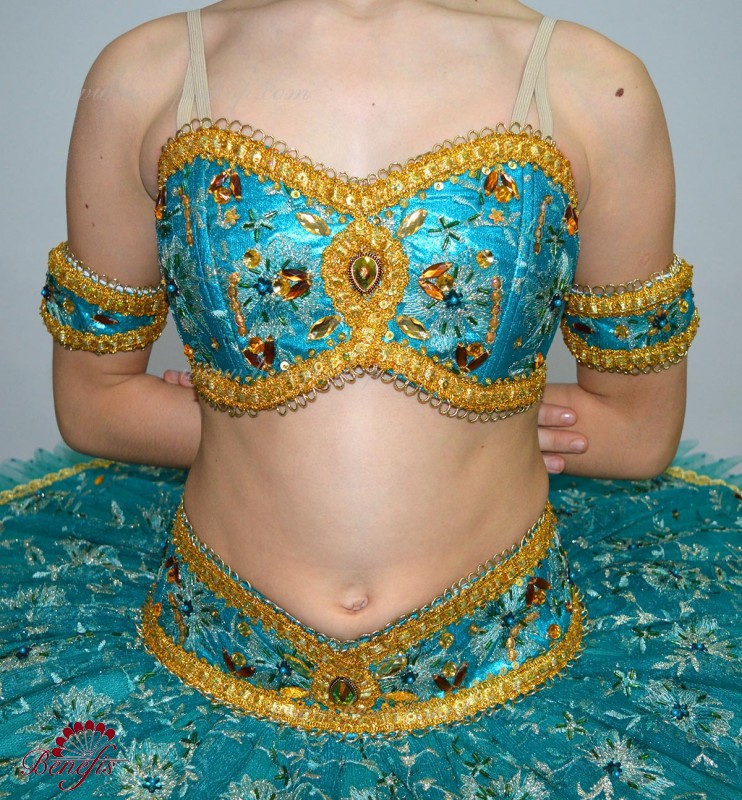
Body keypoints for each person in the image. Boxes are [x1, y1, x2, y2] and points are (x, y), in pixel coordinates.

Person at [0, 1, 738, 798]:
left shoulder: (595, 86)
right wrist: (251, 420)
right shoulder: (146, 75)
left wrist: (473, 419)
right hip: (207, 651)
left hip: (509, 664)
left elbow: (637, 429)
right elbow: (95, 401)